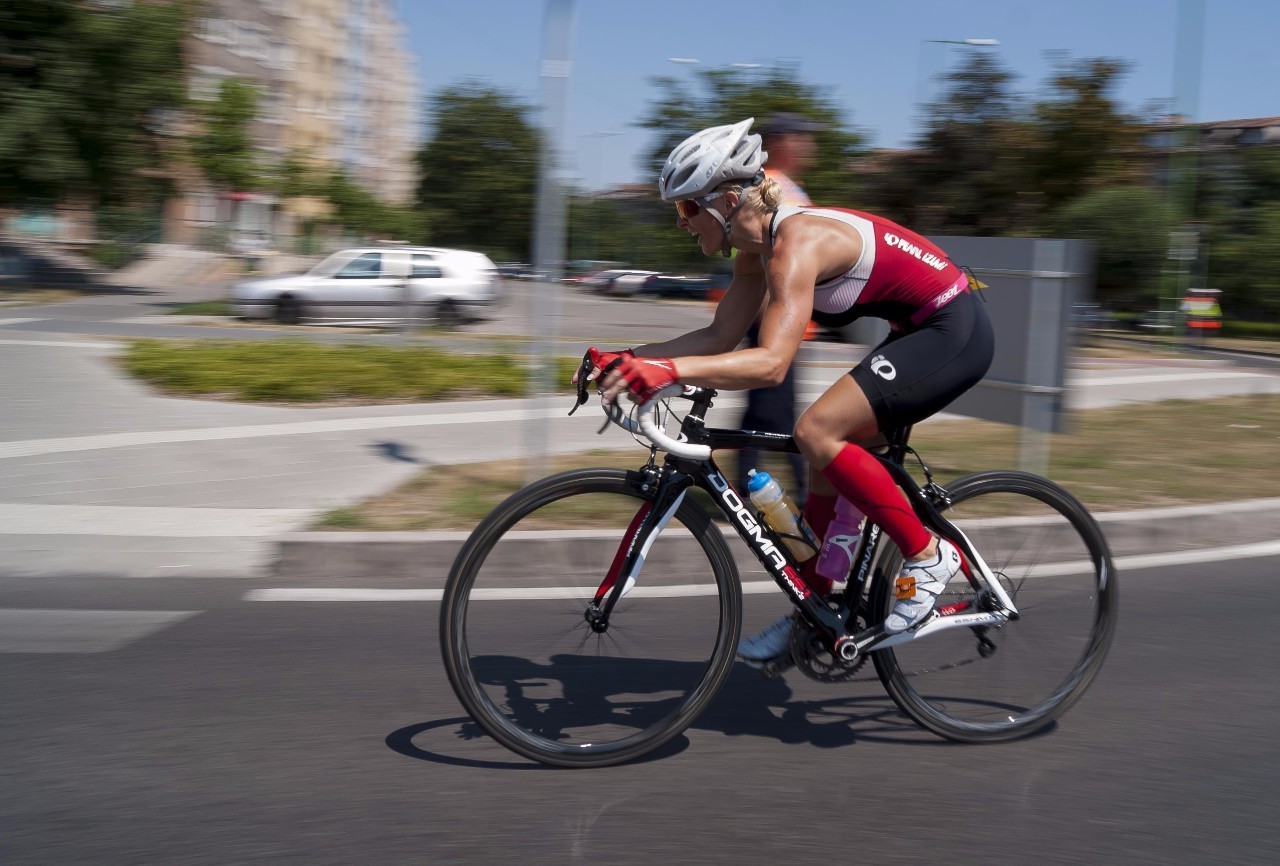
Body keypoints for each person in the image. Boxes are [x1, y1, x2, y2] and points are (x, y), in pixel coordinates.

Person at [585, 118, 995, 666]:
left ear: (727, 201)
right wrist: (632, 359)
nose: (680, 222)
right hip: (914, 331)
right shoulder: (754, 251)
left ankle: (927, 554)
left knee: (817, 430)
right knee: (824, 457)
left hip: (954, 330)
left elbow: (772, 363)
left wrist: (667, 371)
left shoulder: (796, 243)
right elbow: (719, 337)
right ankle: (817, 613)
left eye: (685, 208)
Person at [734, 113, 822, 508]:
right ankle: (798, 493)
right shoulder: (771, 187)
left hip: (786, 323)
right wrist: (771, 324)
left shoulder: (788, 186)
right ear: (783, 141)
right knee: (777, 416)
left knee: (766, 414)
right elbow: (767, 259)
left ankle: (753, 489)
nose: (809, 146)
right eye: (803, 138)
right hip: (778, 324)